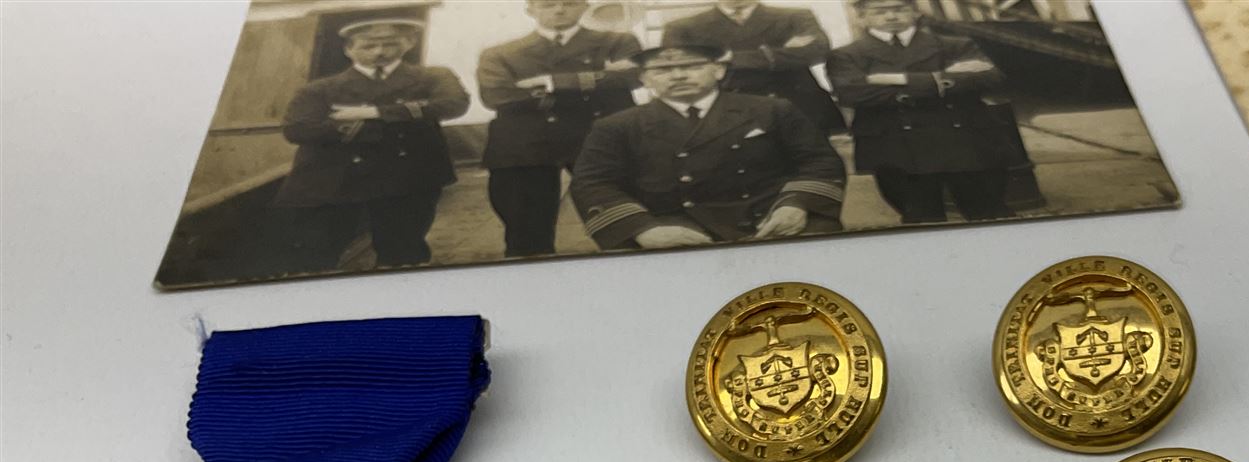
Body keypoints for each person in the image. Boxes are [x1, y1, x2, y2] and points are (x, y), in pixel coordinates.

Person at [569, 44, 845, 250]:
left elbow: (819, 162)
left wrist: (796, 205)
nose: (677, 75)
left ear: (718, 70)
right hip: (673, 224)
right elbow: (593, 184)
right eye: (662, 70)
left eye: (692, 66)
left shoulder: (772, 109)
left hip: (772, 215)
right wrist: (644, 229)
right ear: (645, 79)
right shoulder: (616, 126)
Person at [274, 18, 470, 271]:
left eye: (389, 44)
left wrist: (375, 113)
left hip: (408, 179)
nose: (379, 51)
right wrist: (386, 124)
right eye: (368, 46)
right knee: (316, 255)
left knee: (403, 253)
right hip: (335, 181)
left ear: (409, 43)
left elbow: (454, 105)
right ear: (349, 49)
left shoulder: (433, 77)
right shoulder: (319, 89)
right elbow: (296, 129)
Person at [827, 0, 1017, 225]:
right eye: (880, 11)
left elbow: (991, 78)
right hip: (895, 146)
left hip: (966, 142)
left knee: (990, 215)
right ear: (861, 17)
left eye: (900, 9)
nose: (891, 16)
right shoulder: (846, 55)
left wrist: (901, 81)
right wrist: (944, 81)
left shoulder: (955, 45)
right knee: (921, 220)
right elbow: (852, 94)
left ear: (916, 13)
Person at [477, 0, 642, 257]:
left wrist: (552, 82)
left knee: (628, 220)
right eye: (548, 4)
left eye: (569, 3)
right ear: (530, 10)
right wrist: (598, 80)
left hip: (599, 139)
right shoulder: (500, 53)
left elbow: (634, 77)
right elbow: (496, 96)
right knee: (526, 234)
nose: (559, 10)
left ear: (584, 7)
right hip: (526, 146)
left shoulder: (616, 41)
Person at [661, 1, 844, 137]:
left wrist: (731, 57)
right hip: (726, 112)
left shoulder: (795, 16)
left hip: (799, 107)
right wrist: (781, 54)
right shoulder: (682, 27)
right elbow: (681, 67)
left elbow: (816, 52)